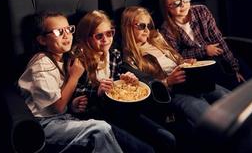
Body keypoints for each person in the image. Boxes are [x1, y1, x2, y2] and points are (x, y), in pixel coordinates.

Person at [18, 11, 154, 153]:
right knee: (100, 128)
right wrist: (74, 77)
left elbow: (62, 96)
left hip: (64, 116)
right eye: (59, 32)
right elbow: (56, 107)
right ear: (42, 40)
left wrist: (72, 104)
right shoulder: (42, 64)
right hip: (42, 124)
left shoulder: (63, 58)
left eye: (68, 29)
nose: (66, 35)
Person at [72, 10, 176, 153]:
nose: (106, 39)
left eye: (109, 33)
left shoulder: (114, 55)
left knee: (168, 138)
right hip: (97, 116)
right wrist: (97, 92)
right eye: (99, 36)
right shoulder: (79, 60)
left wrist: (127, 80)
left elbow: (117, 80)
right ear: (87, 38)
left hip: (120, 111)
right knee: (146, 150)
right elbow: (77, 98)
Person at [120, 6, 230, 128]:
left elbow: (177, 58)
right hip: (173, 92)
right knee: (211, 118)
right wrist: (168, 81)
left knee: (229, 100)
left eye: (148, 26)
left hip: (189, 81)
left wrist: (185, 63)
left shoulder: (156, 38)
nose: (147, 30)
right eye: (141, 26)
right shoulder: (129, 57)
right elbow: (145, 86)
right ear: (128, 27)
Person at [159, 0, 249, 88]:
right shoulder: (166, 29)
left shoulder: (202, 11)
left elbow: (218, 39)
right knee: (231, 84)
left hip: (220, 56)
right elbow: (177, 56)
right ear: (166, 7)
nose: (183, 5)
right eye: (176, 3)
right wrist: (204, 50)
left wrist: (235, 68)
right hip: (199, 65)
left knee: (246, 74)